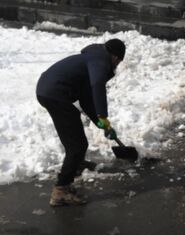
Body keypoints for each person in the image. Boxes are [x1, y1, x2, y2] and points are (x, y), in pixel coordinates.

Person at [36, 38, 125, 207]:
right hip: (55, 94)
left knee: (74, 135)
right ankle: (61, 190)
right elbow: (98, 85)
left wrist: (101, 122)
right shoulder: (100, 61)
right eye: (119, 60)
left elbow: (86, 99)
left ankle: (75, 163)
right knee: (77, 145)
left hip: (49, 90)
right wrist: (103, 115)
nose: (117, 64)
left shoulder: (92, 59)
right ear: (115, 57)